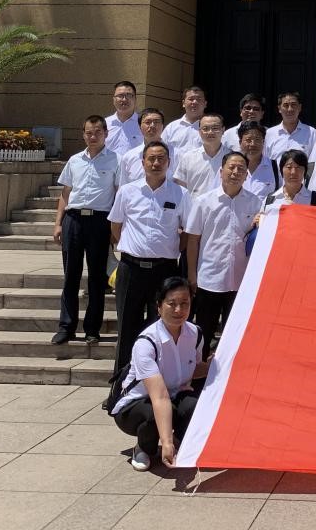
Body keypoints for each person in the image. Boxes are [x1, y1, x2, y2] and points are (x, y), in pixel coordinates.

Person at [111, 276, 208, 471]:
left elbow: (194, 368)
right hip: (136, 404)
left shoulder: (195, 334)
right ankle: (144, 448)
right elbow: (159, 396)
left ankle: (183, 442)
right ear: (159, 306)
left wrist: (218, 365)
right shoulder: (146, 343)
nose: (179, 310)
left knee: (196, 406)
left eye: (184, 303)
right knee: (156, 414)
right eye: (172, 304)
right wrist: (166, 442)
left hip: (173, 395)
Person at [109, 141, 188, 371]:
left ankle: (158, 380)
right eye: (151, 159)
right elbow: (116, 226)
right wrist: (133, 247)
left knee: (160, 328)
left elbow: (187, 232)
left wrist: (167, 249)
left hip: (164, 270)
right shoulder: (127, 191)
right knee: (127, 327)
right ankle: (123, 382)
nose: (156, 163)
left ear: (169, 162)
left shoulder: (180, 194)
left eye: (161, 159)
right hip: (131, 269)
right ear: (143, 162)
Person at [51, 115, 120, 346]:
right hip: (73, 220)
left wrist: (115, 228)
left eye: (98, 132)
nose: (93, 136)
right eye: (89, 133)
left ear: (106, 134)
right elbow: (65, 194)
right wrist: (58, 223)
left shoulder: (115, 160)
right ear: (83, 135)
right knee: (70, 275)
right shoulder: (74, 160)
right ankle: (66, 327)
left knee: (97, 278)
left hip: (100, 221)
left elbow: (119, 194)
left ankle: (92, 329)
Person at [184, 150, 260, 358]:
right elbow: (193, 240)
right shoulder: (204, 201)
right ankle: (199, 374)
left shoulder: (255, 203)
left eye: (241, 169)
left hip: (241, 281)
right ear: (221, 171)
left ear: (246, 175)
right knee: (204, 334)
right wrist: (192, 275)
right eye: (231, 167)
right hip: (210, 279)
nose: (235, 172)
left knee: (234, 336)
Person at [264, 148, 316, 213]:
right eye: (289, 167)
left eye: (298, 167)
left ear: (305, 171)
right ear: (281, 170)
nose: (293, 172)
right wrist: (260, 220)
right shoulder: (270, 200)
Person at [172, 111, 227, 195]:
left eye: (215, 128)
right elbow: (179, 187)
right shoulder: (188, 157)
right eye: (205, 128)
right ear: (199, 132)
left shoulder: (232, 157)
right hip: (194, 203)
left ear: (223, 130)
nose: (210, 132)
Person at [118, 109, 174, 184]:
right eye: (147, 122)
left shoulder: (175, 154)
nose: (152, 125)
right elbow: (123, 187)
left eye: (156, 122)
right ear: (139, 126)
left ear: (162, 126)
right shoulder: (129, 157)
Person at [265, 90, 316, 163]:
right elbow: (264, 161)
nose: (290, 109)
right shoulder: (269, 133)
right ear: (279, 109)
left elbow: (314, 162)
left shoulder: (311, 133)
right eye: (286, 105)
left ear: (299, 107)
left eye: (293, 105)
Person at [237, 121, 279, 199]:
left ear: (263, 142)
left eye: (257, 139)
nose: (253, 144)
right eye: (248, 140)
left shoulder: (275, 167)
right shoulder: (230, 167)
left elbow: (284, 194)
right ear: (240, 142)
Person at [162, 86, 207, 156]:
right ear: (183, 103)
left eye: (199, 99)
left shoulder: (212, 129)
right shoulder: (171, 128)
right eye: (191, 99)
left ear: (205, 104)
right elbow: (161, 151)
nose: (194, 102)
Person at [105, 81, 142, 156]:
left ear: (135, 99)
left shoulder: (143, 123)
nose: (124, 99)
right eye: (120, 95)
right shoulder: (104, 124)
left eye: (129, 95)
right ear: (114, 100)